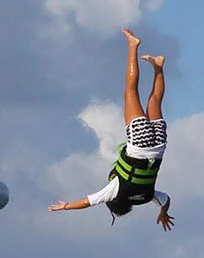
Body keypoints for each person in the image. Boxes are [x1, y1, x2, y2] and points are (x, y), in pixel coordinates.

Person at [49, 28, 175, 230]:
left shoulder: (147, 196)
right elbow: (89, 201)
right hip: (139, 143)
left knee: (154, 101)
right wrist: (66, 206)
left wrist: (163, 212)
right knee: (130, 91)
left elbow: (166, 199)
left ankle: (158, 66)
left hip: (159, 145)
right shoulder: (116, 191)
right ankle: (133, 46)